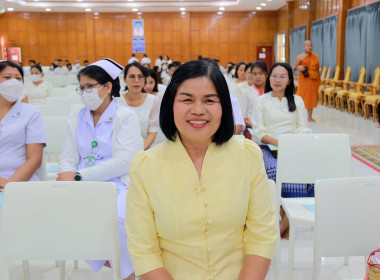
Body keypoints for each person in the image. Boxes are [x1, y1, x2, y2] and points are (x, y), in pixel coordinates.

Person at [125, 59, 277, 280]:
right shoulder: (146, 165)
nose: (198, 110)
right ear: (170, 105)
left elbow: (262, 235)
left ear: (223, 105)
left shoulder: (247, 154)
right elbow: (143, 250)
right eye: (186, 99)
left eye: (209, 100)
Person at [57, 58, 143, 280]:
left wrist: (78, 176)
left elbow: (124, 160)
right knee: (63, 219)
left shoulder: (125, 117)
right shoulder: (75, 118)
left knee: (121, 221)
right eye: (82, 88)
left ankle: (128, 274)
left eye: (90, 86)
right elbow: (67, 159)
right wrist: (69, 177)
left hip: (117, 183)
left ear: (107, 87)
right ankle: (127, 269)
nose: (85, 92)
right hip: (79, 185)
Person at [251, 62, 311, 238]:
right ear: (269, 78)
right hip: (268, 146)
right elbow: (259, 132)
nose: (277, 80)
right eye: (274, 76)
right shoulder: (261, 100)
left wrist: (290, 143)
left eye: (282, 76)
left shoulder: (297, 100)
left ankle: (283, 224)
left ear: (289, 80)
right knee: (275, 171)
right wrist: (279, 142)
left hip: (293, 146)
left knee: (301, 174)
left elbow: (303, 128)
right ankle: (287, 222)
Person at [0, 60, 46, 194]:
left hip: (21, 181)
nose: (13, 82)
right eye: (7, 77)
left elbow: (34, 159)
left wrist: (9, 186)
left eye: (18, 78)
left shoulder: (31, 112)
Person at [116, 62, 160, 150]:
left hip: (145, 148)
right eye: (132, 76)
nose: (136, 80)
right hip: (120, 148)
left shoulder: (153, 100)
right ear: (125, 79)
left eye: (140, 77)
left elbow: (153, 130)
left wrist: (141, 150)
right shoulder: (117, 100)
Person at [293, 40, 321, 122]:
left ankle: (309, 117)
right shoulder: (300, 57)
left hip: (314, 79)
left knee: (312, 98)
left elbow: (318, 68)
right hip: (304, 79)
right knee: (302, 96)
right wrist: (299, 67)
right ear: (304, 47)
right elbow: (293, 67)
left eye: (311, 45)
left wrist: (319, 79)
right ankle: (298, 115)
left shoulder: (315, 56)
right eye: (307, 45)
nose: (309, 47)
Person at [240, 61, 267, 135]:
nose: (258, 76)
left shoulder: (271, 92)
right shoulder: (246, 92)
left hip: (270, 130)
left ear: (266, 74)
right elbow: (243, 116)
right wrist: (256, 127)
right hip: (251, 130)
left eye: (261, 73)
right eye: (254, 74)